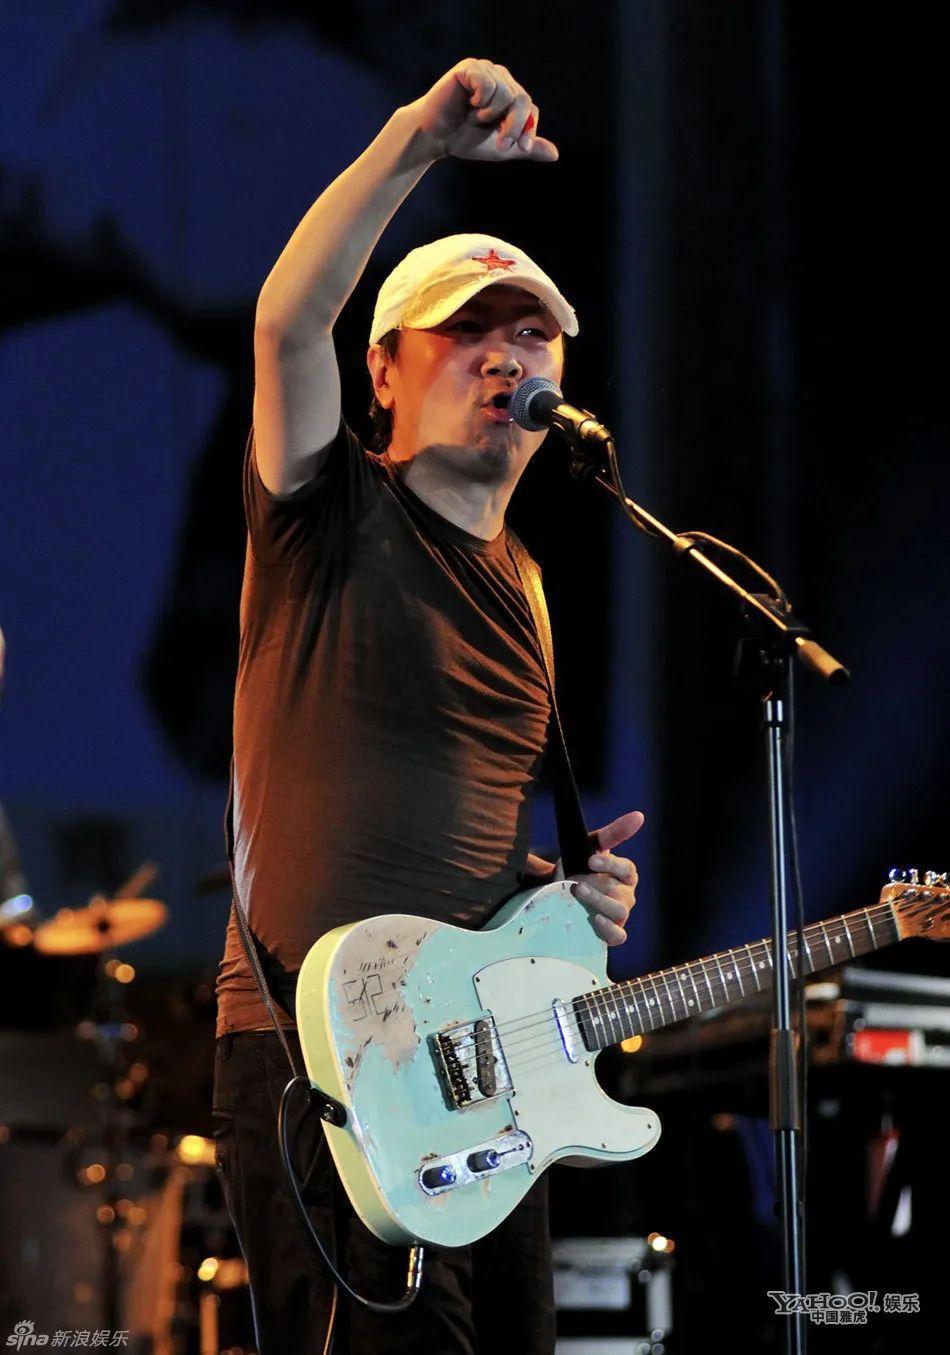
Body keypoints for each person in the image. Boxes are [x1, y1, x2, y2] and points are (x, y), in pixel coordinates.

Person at [213, 58, 644, 1355]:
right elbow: (288, 322)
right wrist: (415, 140)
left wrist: (558, 899)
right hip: (329, 1063)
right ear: (384, 373)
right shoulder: (329, 511)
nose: (506, 353)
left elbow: (452, 840)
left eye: (532, 334)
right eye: (468, 328)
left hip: (483, 1070)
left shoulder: (532, 589)